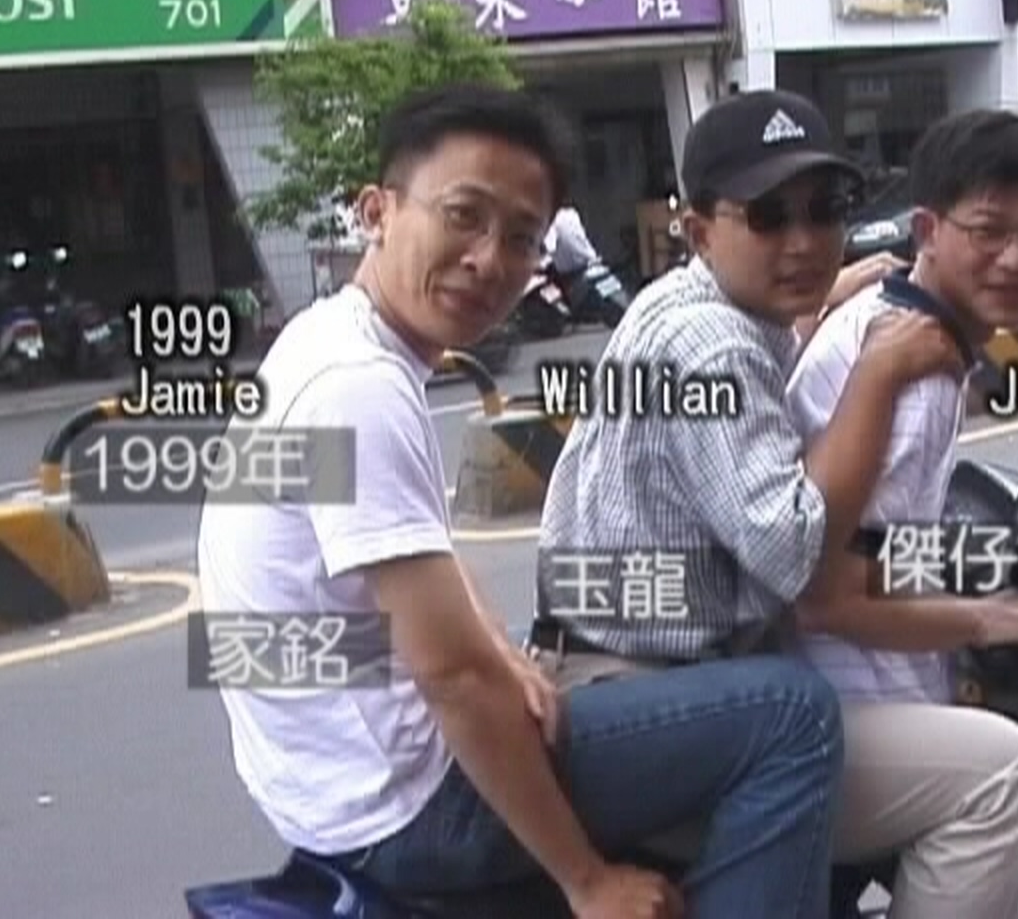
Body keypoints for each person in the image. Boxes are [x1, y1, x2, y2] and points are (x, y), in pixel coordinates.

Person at [196, 84, 850, 919]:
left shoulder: (324, 340)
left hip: (318, 789)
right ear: (376, 211)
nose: (487, 259)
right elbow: (451, 677)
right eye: (462, 216)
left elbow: (419, 562)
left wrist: (503, 652)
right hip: (409, 806)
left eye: (520, 237)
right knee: (791, 713)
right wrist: (588, 882)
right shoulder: (360, 387)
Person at [531, 88, 966, 891]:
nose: (804, 242)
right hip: (631, 683)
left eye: (825, 210)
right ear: (699, 232)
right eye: (767, 217)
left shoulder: (698, 301)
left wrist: (819, 300)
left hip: (619, 663)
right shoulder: (711, 342)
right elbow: (796, 553)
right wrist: (876, 372)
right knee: (806, 716)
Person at [786, 108, 1018, 918]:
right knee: (1004, 780)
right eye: (988, 231)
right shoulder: (910, 369)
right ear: (927, 228)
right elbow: (828, 599)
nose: (1017, 258)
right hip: (847, 707)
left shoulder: (904, 326)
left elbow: (874, 549)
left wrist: (969, 575)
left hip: (858, 690)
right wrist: (985, 618)